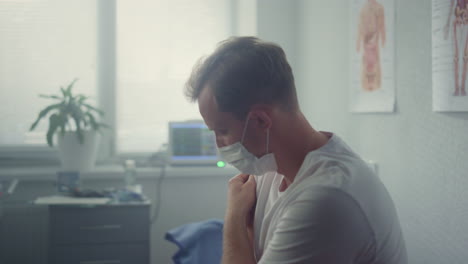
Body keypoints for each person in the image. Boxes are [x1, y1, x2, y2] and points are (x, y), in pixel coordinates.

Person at [185, 36, 407, 264]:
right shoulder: (269, 168)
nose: (218, 144)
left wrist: (234, 218)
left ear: (261, 121)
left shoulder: (327, 199)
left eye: (222, 130)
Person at [356, 0, 386, 92]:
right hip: (368, 38)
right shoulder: (364, 8)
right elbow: (360, 26)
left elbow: (382, 25)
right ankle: (368, 84)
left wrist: (383, 38)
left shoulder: (378, 7)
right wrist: (358, 41)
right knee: (368, 61)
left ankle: (375, 84)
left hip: (373, 38)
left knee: (374, 60)